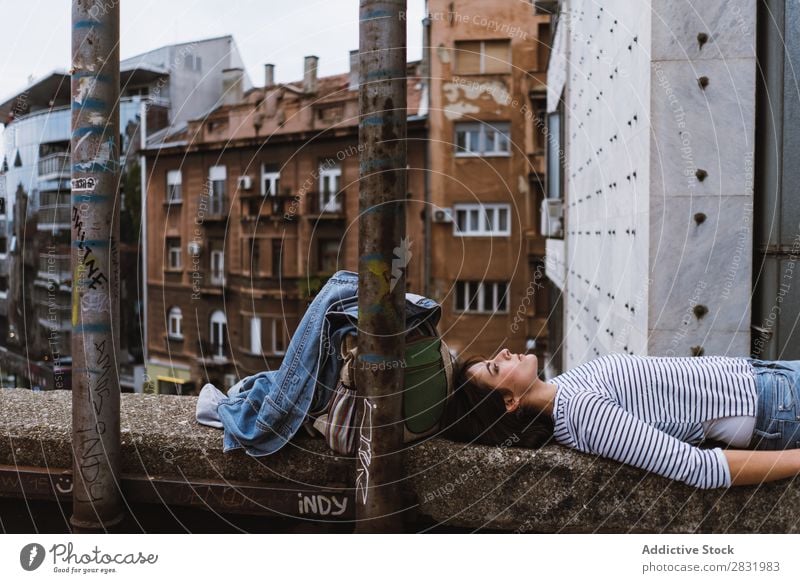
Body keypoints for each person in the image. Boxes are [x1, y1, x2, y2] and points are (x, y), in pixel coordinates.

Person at [442, 349, 800, 490]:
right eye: (495, 367)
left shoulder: (563, 387)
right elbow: (699, 469)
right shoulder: (580, 413)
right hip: (778, 408)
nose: (503, 353)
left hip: (773, 380)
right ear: (509, 402)